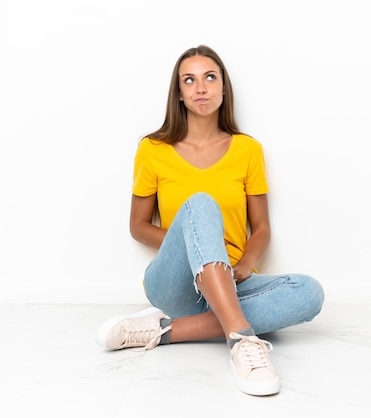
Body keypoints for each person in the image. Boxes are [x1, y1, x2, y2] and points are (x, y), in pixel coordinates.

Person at [96, 45, 325, 396]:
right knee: (200, 204)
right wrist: (195, 244)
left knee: (309, 293)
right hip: (177, 284)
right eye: (189, 80)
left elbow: (261, 227)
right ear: (180, 95)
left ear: (222, 89)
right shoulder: (152, 150)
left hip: (232, 282)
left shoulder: (248, 150)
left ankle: (162, 331)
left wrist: (247, 263)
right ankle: (241, 339)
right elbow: (138, 226)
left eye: (209, 78)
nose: (200, 87)